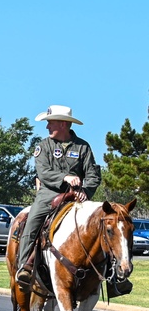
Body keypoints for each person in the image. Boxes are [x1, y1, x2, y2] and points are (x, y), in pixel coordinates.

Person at [14, 105, 101, 286]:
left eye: (50, 123)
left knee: (102, 225)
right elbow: (43, 172)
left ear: (63, 124)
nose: (47, 127)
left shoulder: (83, 147)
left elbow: (93, 175)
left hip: (77, 197)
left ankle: (112, 277)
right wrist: (65, 178)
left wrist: (86, 191)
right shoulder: (43, 146)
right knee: (31, 224)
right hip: (48, 195)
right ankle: (24, 267)